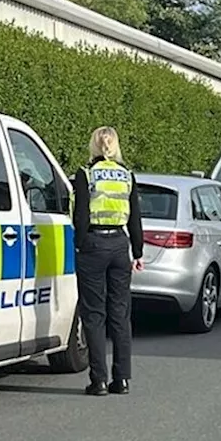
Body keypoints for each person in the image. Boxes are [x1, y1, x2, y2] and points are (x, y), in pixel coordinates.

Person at [72, 126, 143, 396]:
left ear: (94, 145)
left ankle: (98, 381)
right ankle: (122, 379)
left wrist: (79, 245)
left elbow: (80, 215)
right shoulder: (127, 175)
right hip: (119, 246)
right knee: (120, 315)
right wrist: (137, 252)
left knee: (93, 314)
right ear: (115, 146)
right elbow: (135, 217)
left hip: (93, 243)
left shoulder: (86, 174)